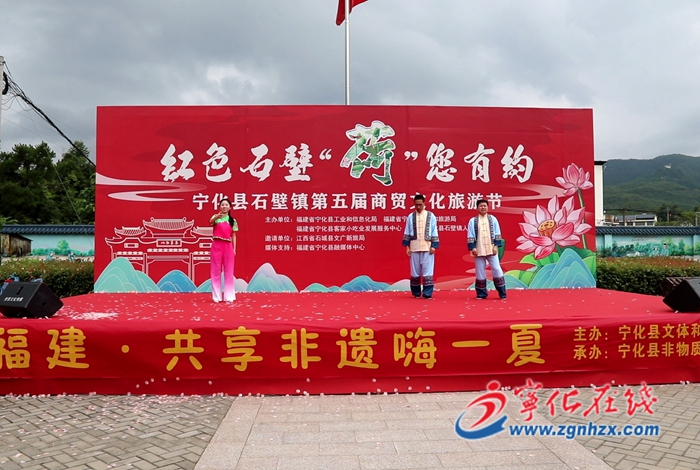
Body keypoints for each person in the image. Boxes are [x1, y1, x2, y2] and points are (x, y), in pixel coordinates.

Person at [467, 199, 506, 299]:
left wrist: (496, 246)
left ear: (488, 207)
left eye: (485, 206)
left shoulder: (493, 219)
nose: (483, 207)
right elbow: (470, 235)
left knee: (497, 269)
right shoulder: (473, 221)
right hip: (479, 249)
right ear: (477, 208)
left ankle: (502, 293)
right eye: (481, 206)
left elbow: (497, 233)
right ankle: (481, 294)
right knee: (480, 271)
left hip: (491, 248)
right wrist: (473, 248)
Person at [402, 194, 439, 299]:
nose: (418, 207)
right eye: (416, 205)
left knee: (428, 271)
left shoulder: (430, 216)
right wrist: (407, 247)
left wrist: (434, 246)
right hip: (414, 247)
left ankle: (427, 293)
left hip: (427, 247)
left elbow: (434, 231)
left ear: (424, 203)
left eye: (420, 205)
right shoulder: (411, 216)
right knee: (415, 271)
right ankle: (416, 292)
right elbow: (407, 231)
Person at [209, 198, 238, 303]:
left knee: (229, 270)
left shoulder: (232, 221)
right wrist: (216, 217)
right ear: (220, 206)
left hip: (228, 245)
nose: (224, 206)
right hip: (217, 245)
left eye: (226, 205)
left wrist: (234, 248)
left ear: (230, 207)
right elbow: (210, 222)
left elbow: (234, 235)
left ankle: (229, 296)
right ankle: (216, 296)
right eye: (222, 205)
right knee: (215, 270)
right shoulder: (215, 217)